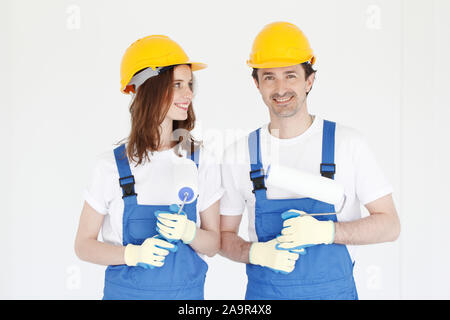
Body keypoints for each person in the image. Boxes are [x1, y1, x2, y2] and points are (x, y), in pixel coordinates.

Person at [219, 21, 401, 300]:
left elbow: (390, 225)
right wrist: (255, 252)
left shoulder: (348, 144)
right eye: (269, 77)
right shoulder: (238, 154)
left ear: (309, 80)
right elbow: (224, 238)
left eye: (290, 75)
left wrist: (327, 232)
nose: (281, 88)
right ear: (256, 83)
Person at [74, 35, 223, 300]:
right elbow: (83, 245)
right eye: (177, 84)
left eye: (189, 84)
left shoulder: (201, 161)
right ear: (148, 87)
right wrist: (131, 254)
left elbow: (213, 245)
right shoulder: (110, 166)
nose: (188, 94)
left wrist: (189, 232)